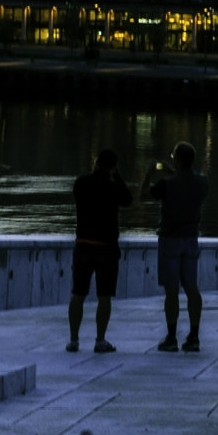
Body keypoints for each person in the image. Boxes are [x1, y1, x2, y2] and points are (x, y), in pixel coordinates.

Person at [69, 148, 132, 353]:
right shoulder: (113, 188)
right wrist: (118, 176)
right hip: (106, 248)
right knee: (104, 296)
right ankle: (100, 340)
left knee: (78, 293)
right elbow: (128, 200)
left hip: (83, 245)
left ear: (95, 163)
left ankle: (73, 340)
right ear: (113, 167)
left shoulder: (81, 183)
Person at [149, 141, 209, 352]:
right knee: (192, 289)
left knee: (171, 292)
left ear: (179, 159)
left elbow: (142, 196)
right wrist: (174, 170)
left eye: (174, 157)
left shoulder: (166, 184)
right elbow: (187, 181)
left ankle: (172, 336)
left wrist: (150, 174)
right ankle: (194, 336)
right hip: (191, 239)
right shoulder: (203, 183)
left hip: (170, 239)